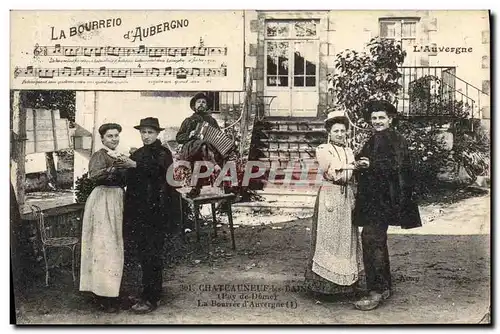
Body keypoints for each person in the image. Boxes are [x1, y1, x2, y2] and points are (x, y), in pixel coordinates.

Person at [353, 100, 422, 311]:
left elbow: (397, 167)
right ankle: (383, 286)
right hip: (373, 199)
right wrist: (359, 160)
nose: (377, 121)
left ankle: (377, 290)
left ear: (390, 119)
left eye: (381, 117)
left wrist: (370, 164)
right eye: (373, 118)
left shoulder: (396, 140)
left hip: (385, 199)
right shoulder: (374, 139)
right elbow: (363, 158)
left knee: (371, 239)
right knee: (375, 239)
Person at [304, 109, 365, 297]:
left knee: (345, 236)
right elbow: (330, 171)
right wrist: (354, 166)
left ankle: (346, 282)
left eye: (342, 130)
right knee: (329, 236)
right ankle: (325, 284)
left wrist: (356, 167)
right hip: (330, 193)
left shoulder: (348, 151)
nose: (340, 134)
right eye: (336, 131)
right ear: (329, 133)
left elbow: (350, 174)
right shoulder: (323, 149)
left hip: (346, 196)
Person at [118, 117, 175, 314]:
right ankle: (147, 291)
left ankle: (152, 298)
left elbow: (159, 172)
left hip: (156, 211)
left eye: (150, 132)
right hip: (139, 211)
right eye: (143, 132)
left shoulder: (163, 153)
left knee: (153, 253)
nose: (146, 136)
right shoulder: (138, 153)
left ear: (157, 134)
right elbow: (131, 180)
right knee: (143, 253)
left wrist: (134, 165)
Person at [79, 123, 127, 313]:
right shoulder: (99, 155)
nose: (114, 139)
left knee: (115, 246)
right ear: (102, 139)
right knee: (104, 246)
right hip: (102, 201)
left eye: (116, 135)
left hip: (117, 199)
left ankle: (112, 292)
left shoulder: (120, 155)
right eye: (110, 136)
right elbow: (94, 176)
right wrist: (113, 169)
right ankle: (102, 295)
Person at [176, 92, 223, 197]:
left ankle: (195, 188)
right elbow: (179, 138)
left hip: (206, 150)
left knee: (204, 147)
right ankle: (214, 165)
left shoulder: (211, 121)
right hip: (190, 149)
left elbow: (219, 136)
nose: (201, 104)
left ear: (206, 106)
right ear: (194, 105)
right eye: (199, 102)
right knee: (201, 145)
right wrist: (189, 135)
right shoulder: (188, 121)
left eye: (203, 102)